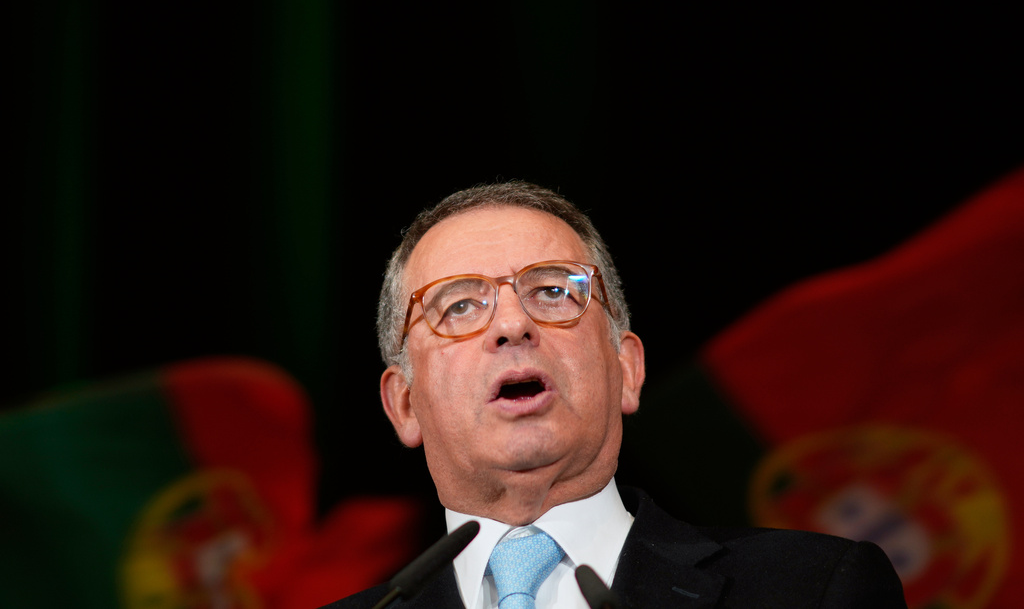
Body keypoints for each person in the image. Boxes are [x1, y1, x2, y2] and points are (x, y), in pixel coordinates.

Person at [323, 182, 906, 608]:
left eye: (552, 291)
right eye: (459, 306)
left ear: (627, 368)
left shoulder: (815, 588)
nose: (512, 325)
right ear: (403, 404)